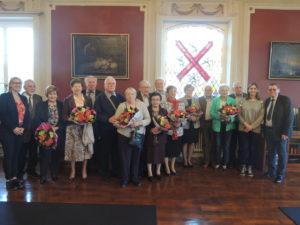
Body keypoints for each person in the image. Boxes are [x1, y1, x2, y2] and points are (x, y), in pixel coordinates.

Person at [114, 87, 150, 187]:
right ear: (125, 96)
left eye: (132, 94)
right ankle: (125, 179)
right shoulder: (122, 106)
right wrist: (122, 124)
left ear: (135, 95)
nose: (130, 96)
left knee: (136, 157)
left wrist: (139, 123)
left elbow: (148, 119)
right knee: (125, 158)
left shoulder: (141, 105)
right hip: (124, 135)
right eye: (128, 94)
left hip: (138, 135)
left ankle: (135, 178)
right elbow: (115, 121)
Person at [0, 77, 30, 190]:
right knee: (9, 155)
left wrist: (24, 128)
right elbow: (2, 114)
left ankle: (14, 178)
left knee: (16, 155)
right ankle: (9, 179)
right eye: (15, 83)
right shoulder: (4, 97)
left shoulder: (23, 98)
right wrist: (13, 128)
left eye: (19, 83)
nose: (18, 85)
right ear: (10, 84)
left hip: (20, 131)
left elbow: (26, 115)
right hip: (8, 131)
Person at [94, 76, 125, 179]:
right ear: (104, 85)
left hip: (119, 130)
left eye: (113, 84)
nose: (111, 85)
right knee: (104, 152)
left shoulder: (121, 97)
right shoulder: (99, 98)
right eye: (109, 84)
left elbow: (126, 111)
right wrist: (108, 119)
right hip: (105, 129)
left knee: (117, 151)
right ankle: (104, 173)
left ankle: (116, 171)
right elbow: (96, 114)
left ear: (115, 85)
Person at [63, 78, 93, 180]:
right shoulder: (67, 100)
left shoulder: (88, 99)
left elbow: (91, 113)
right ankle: (73, 170)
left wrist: (88, 119)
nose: (77, 88)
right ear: (71, 88)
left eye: (79, 86)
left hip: (85, 128)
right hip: (72, 128)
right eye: (75, 86)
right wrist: (73, 119)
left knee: (85, 150)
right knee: (72, 150)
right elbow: (64, 116)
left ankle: (84, 170)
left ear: (82, 87)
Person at [264, 83, 293, 183]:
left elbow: (289, 118)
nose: (272, 91)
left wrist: (285, 132)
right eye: (270, 89)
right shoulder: (267, 101)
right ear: (268, 91)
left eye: (274, 89)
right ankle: (271, 171)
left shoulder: (285, 100)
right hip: (269, 131)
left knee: (281, 154)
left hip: (281, 133)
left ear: (278, 90)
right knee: (271, 153)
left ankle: (280, 174)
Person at [34, 85, 64, 184]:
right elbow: (38, 119)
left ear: (57, 95)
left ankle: (54, 174)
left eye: (54, 93)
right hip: (45, 133)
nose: (52, 96)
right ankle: (43, 176)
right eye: (50, 94)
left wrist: (57, 127)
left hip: (58, 132)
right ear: (47, 95)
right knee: (45, 155)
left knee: (56, 154)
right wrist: (49, 128)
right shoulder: (40, 105)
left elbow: (64, 119)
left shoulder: (61, 105)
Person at [238, 83, 264, 177]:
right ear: (248, 90)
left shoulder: (261, 102)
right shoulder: (242, 101)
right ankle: (243, 166)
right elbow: (239, 114)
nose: (252, 90)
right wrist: (245, 124)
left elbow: (261, 116)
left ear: (257, 90)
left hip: (255, 129)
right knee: (244, 148)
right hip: (243, 129)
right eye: (251, 88)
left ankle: (250, 167)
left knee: (252, 149)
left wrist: (251, 126)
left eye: (254, 88)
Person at [210, 84, 236, 170]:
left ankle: (225, 163)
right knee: (217, 145)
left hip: (228, 126)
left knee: (226, 146)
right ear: (219, 91)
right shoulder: (215, 100)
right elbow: (212, 113)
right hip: (217, 125)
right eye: (222, 90)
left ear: (228, 91)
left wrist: (229, 118)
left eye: (225, 90)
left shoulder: (232, 100)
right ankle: (217, 162)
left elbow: (235, 113)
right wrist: (220, 117)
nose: (224, 92)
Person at [21, 79, 42, 178]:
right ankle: (19, 172)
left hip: (35, 130)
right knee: (22, 153)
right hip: (23, 130)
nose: (32, 88)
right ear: (24, 87)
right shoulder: (19, 98)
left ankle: (31, 170)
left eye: (33, 86)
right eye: (29, 86)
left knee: (34, 152)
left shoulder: (39, 98)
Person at [144, 92, 168, 181]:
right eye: (153, 100)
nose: (155, 101)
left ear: (160, 100)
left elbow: (167, 124)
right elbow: (144, 123)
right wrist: (151, 129)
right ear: (150, 100)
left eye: (157, 99)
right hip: (150, 135)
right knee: (149, 154)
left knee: (160, 153)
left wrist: (161, 128)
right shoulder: (147, 109)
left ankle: (158, 172)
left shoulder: (164, 111)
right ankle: (150, 172)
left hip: (161, 135)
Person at [163, 85, 186, 175]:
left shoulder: (181, 103)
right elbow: (162, 117)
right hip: (168, 130)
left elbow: (184, 117)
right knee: (167, 149)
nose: (173, 92)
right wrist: (170, 123)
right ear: (167, 92)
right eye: (171, 91)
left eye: (175, 91)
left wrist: (180, 123)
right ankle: (167, 166)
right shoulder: (163, 104)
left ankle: (172, 166)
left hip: (178, 130)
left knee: (175, 150)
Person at [180, 84, 200, 167]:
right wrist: (187, 117)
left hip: (194, 124)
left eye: (191, 90)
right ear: (185, 91)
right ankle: (184, 160)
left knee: (192, 143)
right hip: (185, 125)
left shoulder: (196, 99)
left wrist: (196, 118)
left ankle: (189, 160)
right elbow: (179, 113)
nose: (189, 92)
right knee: (184, 143)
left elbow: (200, 111)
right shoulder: (180, 100)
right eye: (188, 90)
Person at [228, 81, 247, 168]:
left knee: (242, 145)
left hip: (243, 124)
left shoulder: (247, 97)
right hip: (232, 124)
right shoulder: (229, 97)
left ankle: (240, 163)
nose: (238, 89)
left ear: (242, 88)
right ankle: (231, 162)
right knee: (232, 144)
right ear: (233, 89)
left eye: (240, 87)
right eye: (236, 87)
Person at [199, 85, 214, 168]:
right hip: (204, 123)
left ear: (212, 91)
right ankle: (206, 161)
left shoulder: (215, 99)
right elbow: (197, 110)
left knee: (213, 142)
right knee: (205, 143)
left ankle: (213, 161)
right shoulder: (200, 99)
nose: (208, 91)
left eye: (209, 90)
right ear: (204, 91)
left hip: (213, 123)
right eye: (206, 90)